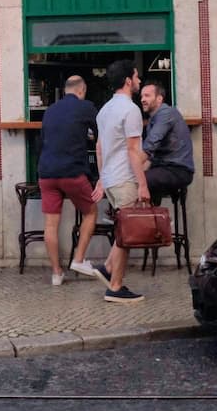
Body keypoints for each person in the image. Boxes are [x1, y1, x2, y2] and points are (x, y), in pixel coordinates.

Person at [36, 76, 105, 286]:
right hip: (72, 171)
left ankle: (57, 274)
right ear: (82, 90)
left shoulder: (50, 110)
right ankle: (78, 259)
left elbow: (45, 139)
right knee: (90, 211)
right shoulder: (86, 107)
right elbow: (102, 133)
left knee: (50, 224)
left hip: (46, 173)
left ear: (65, 91)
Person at [93, 59, 149, 304]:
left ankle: (107, 268)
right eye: (136, 77)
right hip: (125, 178)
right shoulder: (131, 110)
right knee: (127, 236)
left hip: (111, 179)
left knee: (122, 231)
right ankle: (115, 287)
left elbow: (99, 148)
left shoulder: (104, 110)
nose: (139, 81)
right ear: (128, 81)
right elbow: (133, 150)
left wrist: (101, 179)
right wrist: (143, 184)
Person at [139, 82, 195, 208]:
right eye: (142, 96)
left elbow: (149, 146)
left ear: (159, 98)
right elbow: (150, 156)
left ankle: (151, 221)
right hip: (164, 168)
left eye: (147, 96)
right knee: (137, 179)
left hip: (177, 169)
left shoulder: (166, 114)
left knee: (138, 181)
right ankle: (151, 218)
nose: (143, 99)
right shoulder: (154, 119)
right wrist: (136, 172)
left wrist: (134, 171)